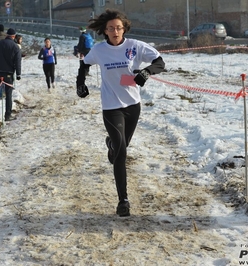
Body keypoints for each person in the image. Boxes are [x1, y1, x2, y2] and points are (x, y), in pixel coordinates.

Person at [76, 9, 165, 217]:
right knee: (122, 153)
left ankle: (111, 144)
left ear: (124, 29)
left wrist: (146, 71)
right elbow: (84, 65)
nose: (115, 31)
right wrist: (80, 83)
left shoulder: (135, 46)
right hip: (111, 107)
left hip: (133, 105)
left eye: (118, 27)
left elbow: (160, 62)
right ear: (105, 31)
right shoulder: (99, 50)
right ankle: (123, 200)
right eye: (111, 28)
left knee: (121, 145)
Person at [0, 28, 21, 122]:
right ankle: (7, 115)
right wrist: (18, 74)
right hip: (8, 73)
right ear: (14, 36)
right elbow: (17, 61)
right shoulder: (15, 46)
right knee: (8, 94)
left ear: (7, 35)